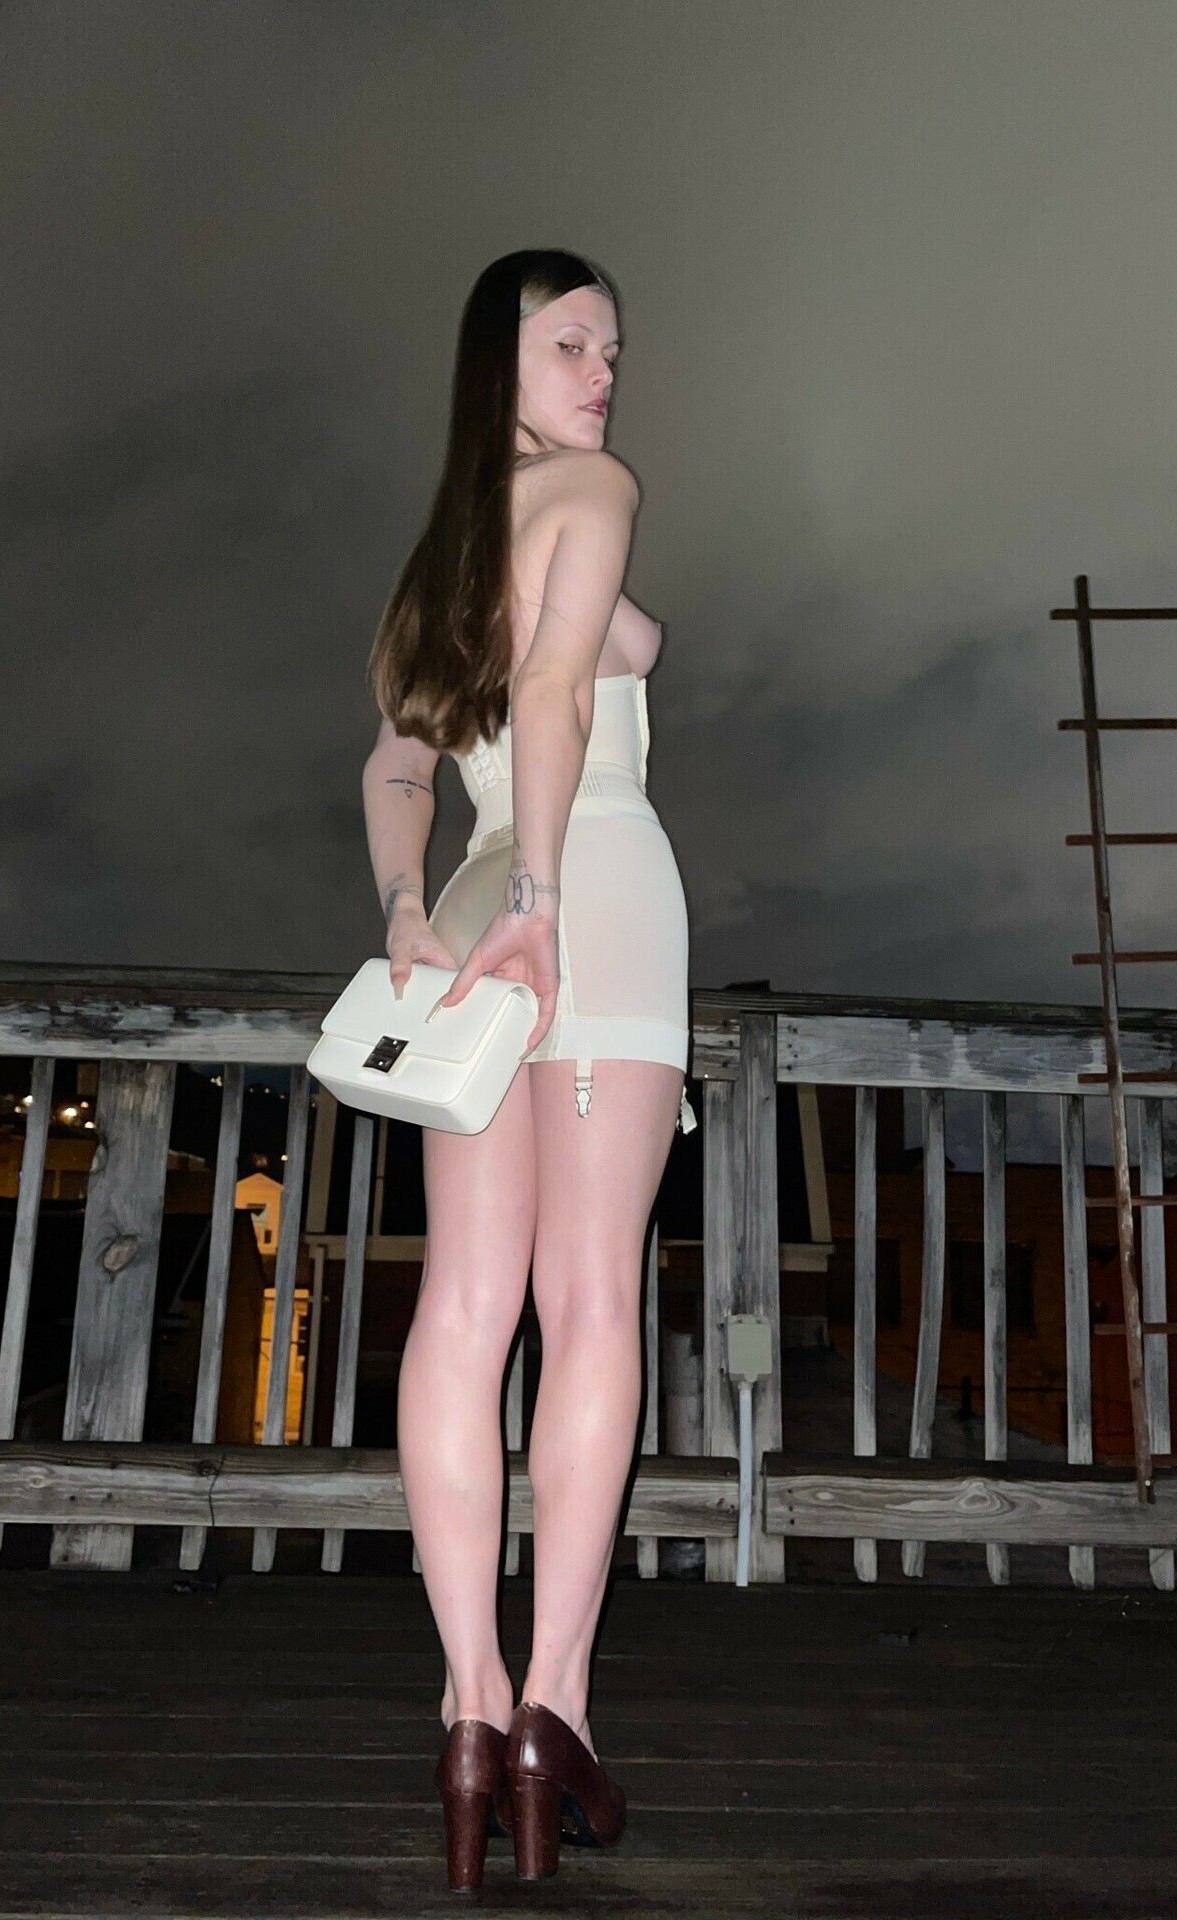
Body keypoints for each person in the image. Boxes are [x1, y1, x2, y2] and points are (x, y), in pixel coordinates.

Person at [361, 249, 695, 1890]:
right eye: (571, 342)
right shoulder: (596, 490)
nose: (604, 369)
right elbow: (565, 687)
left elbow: (396, 769)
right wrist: (551, 907)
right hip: (589, 888)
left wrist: (413, 912)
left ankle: (466, 1706)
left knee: (462, 1304)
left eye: (613, 347)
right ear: (498, 363)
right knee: (589, 1300)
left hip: (472, 910)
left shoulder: (436, 561)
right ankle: (554, 1701)